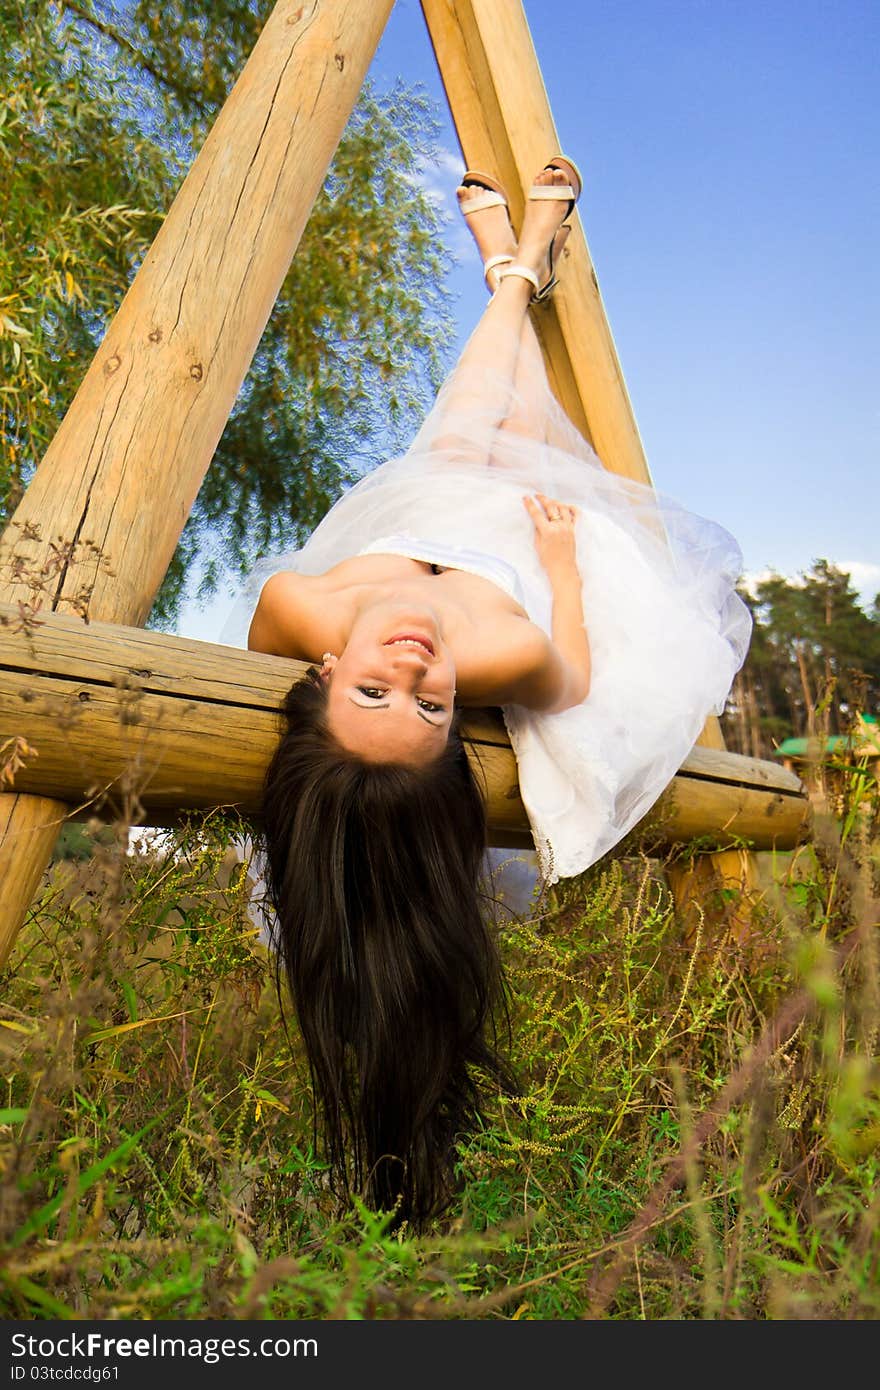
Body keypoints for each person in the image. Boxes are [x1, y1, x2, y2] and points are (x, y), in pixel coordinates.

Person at [224, 157, 753, 1229]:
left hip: (406, 516)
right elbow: (577, 673)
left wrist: (388, 598)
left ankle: (509, 272)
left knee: (462, 424)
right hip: (503, 551)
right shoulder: (493, 658)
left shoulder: (296, 603)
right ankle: (517, 267)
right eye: (428, 710)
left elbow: (339, 623)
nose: (418, 669)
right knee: (506, 436)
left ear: (321, 676)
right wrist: (559, 569)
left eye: (379, 685)